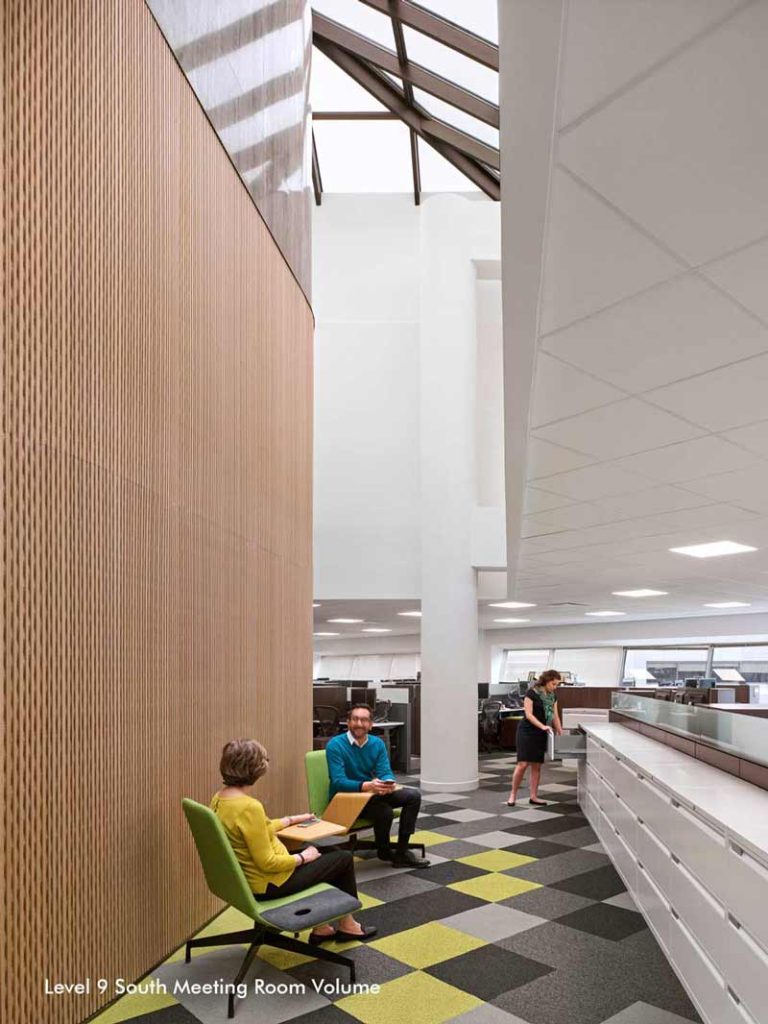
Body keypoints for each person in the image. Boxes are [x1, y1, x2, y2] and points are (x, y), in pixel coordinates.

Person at [211, 738, 376, 944]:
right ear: (254, 769)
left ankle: (322, 927)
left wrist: (291, 820)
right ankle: (348, 926)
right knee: (341, 858)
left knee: (328, 851)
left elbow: (258, 829)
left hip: (250, 878)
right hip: (270, 883)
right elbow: (268, 862)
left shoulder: (221, 799)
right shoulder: (249, 807)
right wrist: (302, 857)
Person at [325, 704, 430, 868]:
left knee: (413, 796)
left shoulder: (377, 744)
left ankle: (401, 853)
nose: (359, 724)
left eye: (364, 720)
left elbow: (385, 771)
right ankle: (384, 851)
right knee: (384, 812)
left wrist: (388, 783)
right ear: (348, 722)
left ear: (371, 724)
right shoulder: (335, 745)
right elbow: (339, 782)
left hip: (370, 794)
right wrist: (368, 786)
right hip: (345, 798)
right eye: (355, 719)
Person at [506, 670, 563, 807]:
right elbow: (529, 715)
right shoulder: (532, 693)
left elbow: (555, 715)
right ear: (546, 681)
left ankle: (534, 796)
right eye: (553, 684)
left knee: (536, 766)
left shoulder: (552, 696)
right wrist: (542, 726)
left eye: (557, 685)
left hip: (541, 732)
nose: (555, 687)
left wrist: (560, 731)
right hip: (527, 730)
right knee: (523, 764)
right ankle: (512, 795)